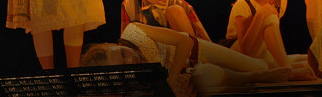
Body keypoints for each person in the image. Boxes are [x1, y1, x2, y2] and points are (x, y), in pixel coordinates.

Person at [81, 22, 292, 97]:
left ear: (114, 44)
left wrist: (172, 77)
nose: (130, 61)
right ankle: (260, 75)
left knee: (259, 64)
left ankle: (293, 67)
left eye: (123, 54)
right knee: (218, 79)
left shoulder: (133, 31)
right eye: (123, 67)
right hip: (190, 72)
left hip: (196, 52)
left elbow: (183, 41)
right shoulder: (135, 78)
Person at [224, 0, 315, 80]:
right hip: (239, 54)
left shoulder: (281, 1)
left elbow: (270, 37)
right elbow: (245, 49)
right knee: (269, 16)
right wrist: (261, 15)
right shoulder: (243, 4)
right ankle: (288, 71)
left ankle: (284, 67)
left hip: (262, 52)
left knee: (308, 60)